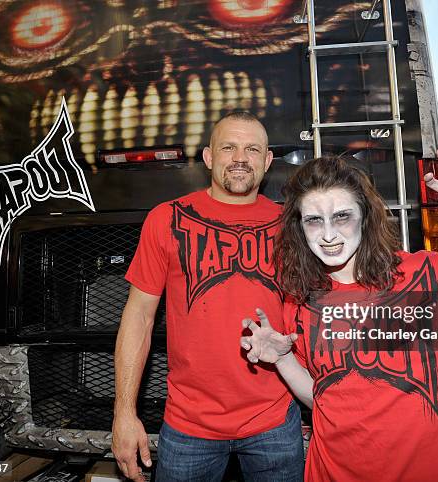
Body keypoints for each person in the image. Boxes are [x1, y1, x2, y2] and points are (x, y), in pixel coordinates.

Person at [240, 150, 438, 482]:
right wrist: (283, 361)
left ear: (366, 217)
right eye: (314, 220)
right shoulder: (302, 300)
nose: (328, 234)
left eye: (342, 216)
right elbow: (327, 397)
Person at [112, 112, 304, 482]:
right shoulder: (166, 219)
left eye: (252, 149)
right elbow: (139, 318)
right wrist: (123, 413)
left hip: (275, 421)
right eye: (228, 147)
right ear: (209, 157)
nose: (240, 158)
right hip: (189, 426)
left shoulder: (291, 225)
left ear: (267, 161)